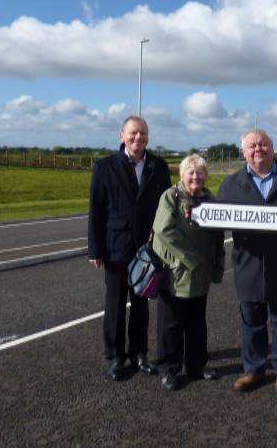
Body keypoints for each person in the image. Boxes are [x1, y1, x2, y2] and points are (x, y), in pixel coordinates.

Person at [217, 128, 277, 395]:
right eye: (252, 146)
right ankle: (254, 369)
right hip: (248, 265)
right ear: (244, 152)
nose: (258, 149)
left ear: (272, 148)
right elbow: (216, 218)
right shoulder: (231, 183)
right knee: (252, 321)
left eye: (263, 145)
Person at [87, 115, 171, 380]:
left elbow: (166, 207)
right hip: (115, 247)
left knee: (141, 304)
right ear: (122, 136)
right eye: (133, 133)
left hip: (147, 248)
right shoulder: (105, 166)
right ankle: (115, 357)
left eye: (143, 134)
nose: (139, 138)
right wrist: (95, 249)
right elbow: (96, 211)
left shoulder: (158, 166)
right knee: (114, 305)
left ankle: (139, 353)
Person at [151, 154, 225, 391]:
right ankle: (169, 369)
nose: (195, 177)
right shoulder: (171, 197)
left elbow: (217, 237)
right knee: (170, 324)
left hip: (200, 274)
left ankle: (196, 364)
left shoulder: (210, 199)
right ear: (182, 175)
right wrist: (191, 258)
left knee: (197, 322)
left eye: (200, 172)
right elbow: (163, 230)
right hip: (174, 272)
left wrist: (216, 264)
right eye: (191, 172)